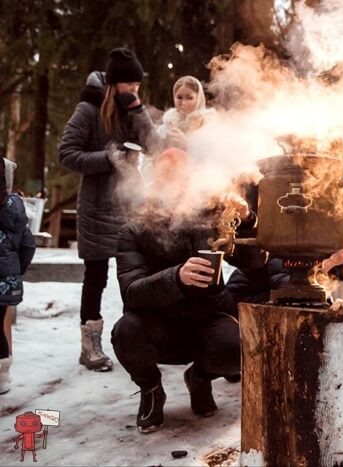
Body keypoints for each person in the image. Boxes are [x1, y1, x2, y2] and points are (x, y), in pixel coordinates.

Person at [110, 148, 257, 433]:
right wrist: (177, 277)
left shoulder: (211, 218)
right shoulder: (134, 229)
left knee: (240, 345)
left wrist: (246, 219)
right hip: (156, 324)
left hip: (207, 317)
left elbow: (253, 264)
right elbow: (132, 291)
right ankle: (151, 389)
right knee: (126, 333)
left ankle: (200, 378)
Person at [59, 47, 160, 372]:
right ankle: (90, 347)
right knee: (96, 278)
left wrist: (139, 110)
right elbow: (67, 153)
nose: (134, 90)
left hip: (131, 206)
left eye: (137, 85)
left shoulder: (130, 109)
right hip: (97, 209)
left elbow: (155, 146)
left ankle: (139, 340)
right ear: (113, 83)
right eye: (129, 84)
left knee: (137, 275)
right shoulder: (88, 111)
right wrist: (108, 158)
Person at [0, 158, 36, 394]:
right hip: (6, 283)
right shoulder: (14, 209)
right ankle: (2, 377)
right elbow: (28, 245)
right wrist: (15, 271)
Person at [158, 75, 215, 149]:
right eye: (179, 97)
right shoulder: (168, 124)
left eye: (189, 98)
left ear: (198, 98)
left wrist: (187, 145)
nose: (183, 102)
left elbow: (214, 155)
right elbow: (151, 153)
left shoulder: (208, 124)